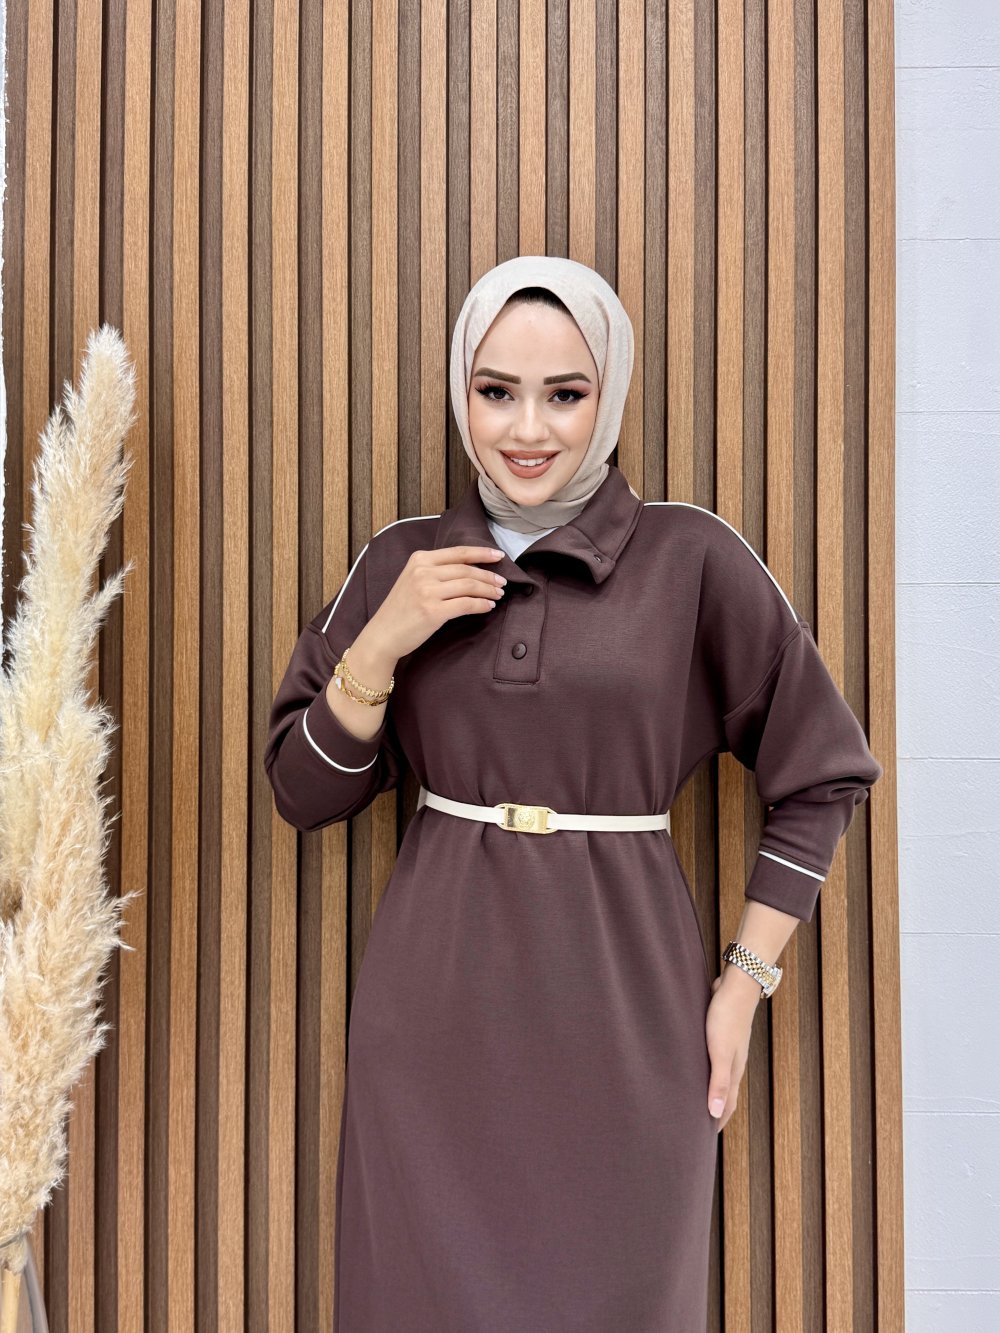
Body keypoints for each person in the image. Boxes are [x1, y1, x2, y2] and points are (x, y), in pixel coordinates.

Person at [264, 254, 884, 1330]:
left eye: (564, 393)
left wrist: (742, 985)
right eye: (495, 390)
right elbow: (301, 792)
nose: (526, 428)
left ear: (610, 395)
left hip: (630, 1032)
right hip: (431, 1037)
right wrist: (383, 641)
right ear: (460, 392)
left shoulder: (693, 559)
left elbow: (824, 771)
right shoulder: (404, 560)